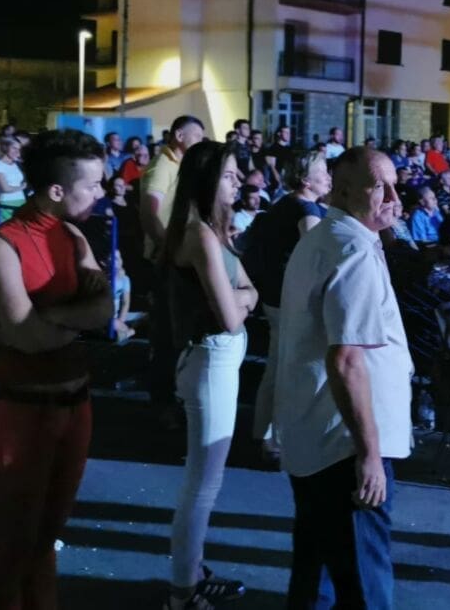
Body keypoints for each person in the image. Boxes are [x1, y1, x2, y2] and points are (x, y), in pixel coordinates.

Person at [0, 129, 111, 609]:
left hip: (75, 405)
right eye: (91, 185)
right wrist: (74, 321)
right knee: (14, 547)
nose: (100, 193)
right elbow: (24, 336)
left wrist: (49, 316)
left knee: (45, 538)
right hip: (21, 414)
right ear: (56, 190)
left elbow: (102, 311)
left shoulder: (72, 235)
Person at [275, 146, 412, 608]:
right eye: (379, 187)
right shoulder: (351, 249)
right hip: (344, 446)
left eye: (395, 185)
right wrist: (369, 455)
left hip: (320, 438)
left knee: (316, 577)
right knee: (363, 585)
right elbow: (347, 359)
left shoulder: (330, 238)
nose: (394, 197)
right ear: (345, 190)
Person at [164, 142, 256, 610]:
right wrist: (244, 299)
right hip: (211, 359)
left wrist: (244, 296)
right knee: (203, 483)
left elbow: (248, 289)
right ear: (206, 181)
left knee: (204, 479)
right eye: (229, 175)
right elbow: (232, 315)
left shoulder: (213, 232)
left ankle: (192, 571)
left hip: (215, 359)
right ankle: (182, 590)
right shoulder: (200, 235)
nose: (239, 182)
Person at [241, 150, 331, 459]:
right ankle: (276, 438)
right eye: (323, 172)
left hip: (274, 295)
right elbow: (316, 257)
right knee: (290, 368)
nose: (329, 177)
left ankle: (264, 431)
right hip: (293, 299)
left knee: (277, 364)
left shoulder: (284, 203)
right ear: (306, 179)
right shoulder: (308, 210)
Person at [141, 115, 207, 421]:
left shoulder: (181, 167)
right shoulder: (162, 165)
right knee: (167, 335)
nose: (200, 143)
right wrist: (166, 249)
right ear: (180, 136)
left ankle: (174, 398)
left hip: (178, 256)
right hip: (166, 259)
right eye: (197, 137)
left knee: (179, 333)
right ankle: (164, 403)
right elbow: (149, 211)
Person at [0, 136, 27, 222]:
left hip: (21, 200)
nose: (17, 151)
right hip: (7, 202)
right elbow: (5, 188)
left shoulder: (16, 164)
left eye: (19, 149)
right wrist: (22, 187)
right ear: (6, 147)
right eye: (14, 148)